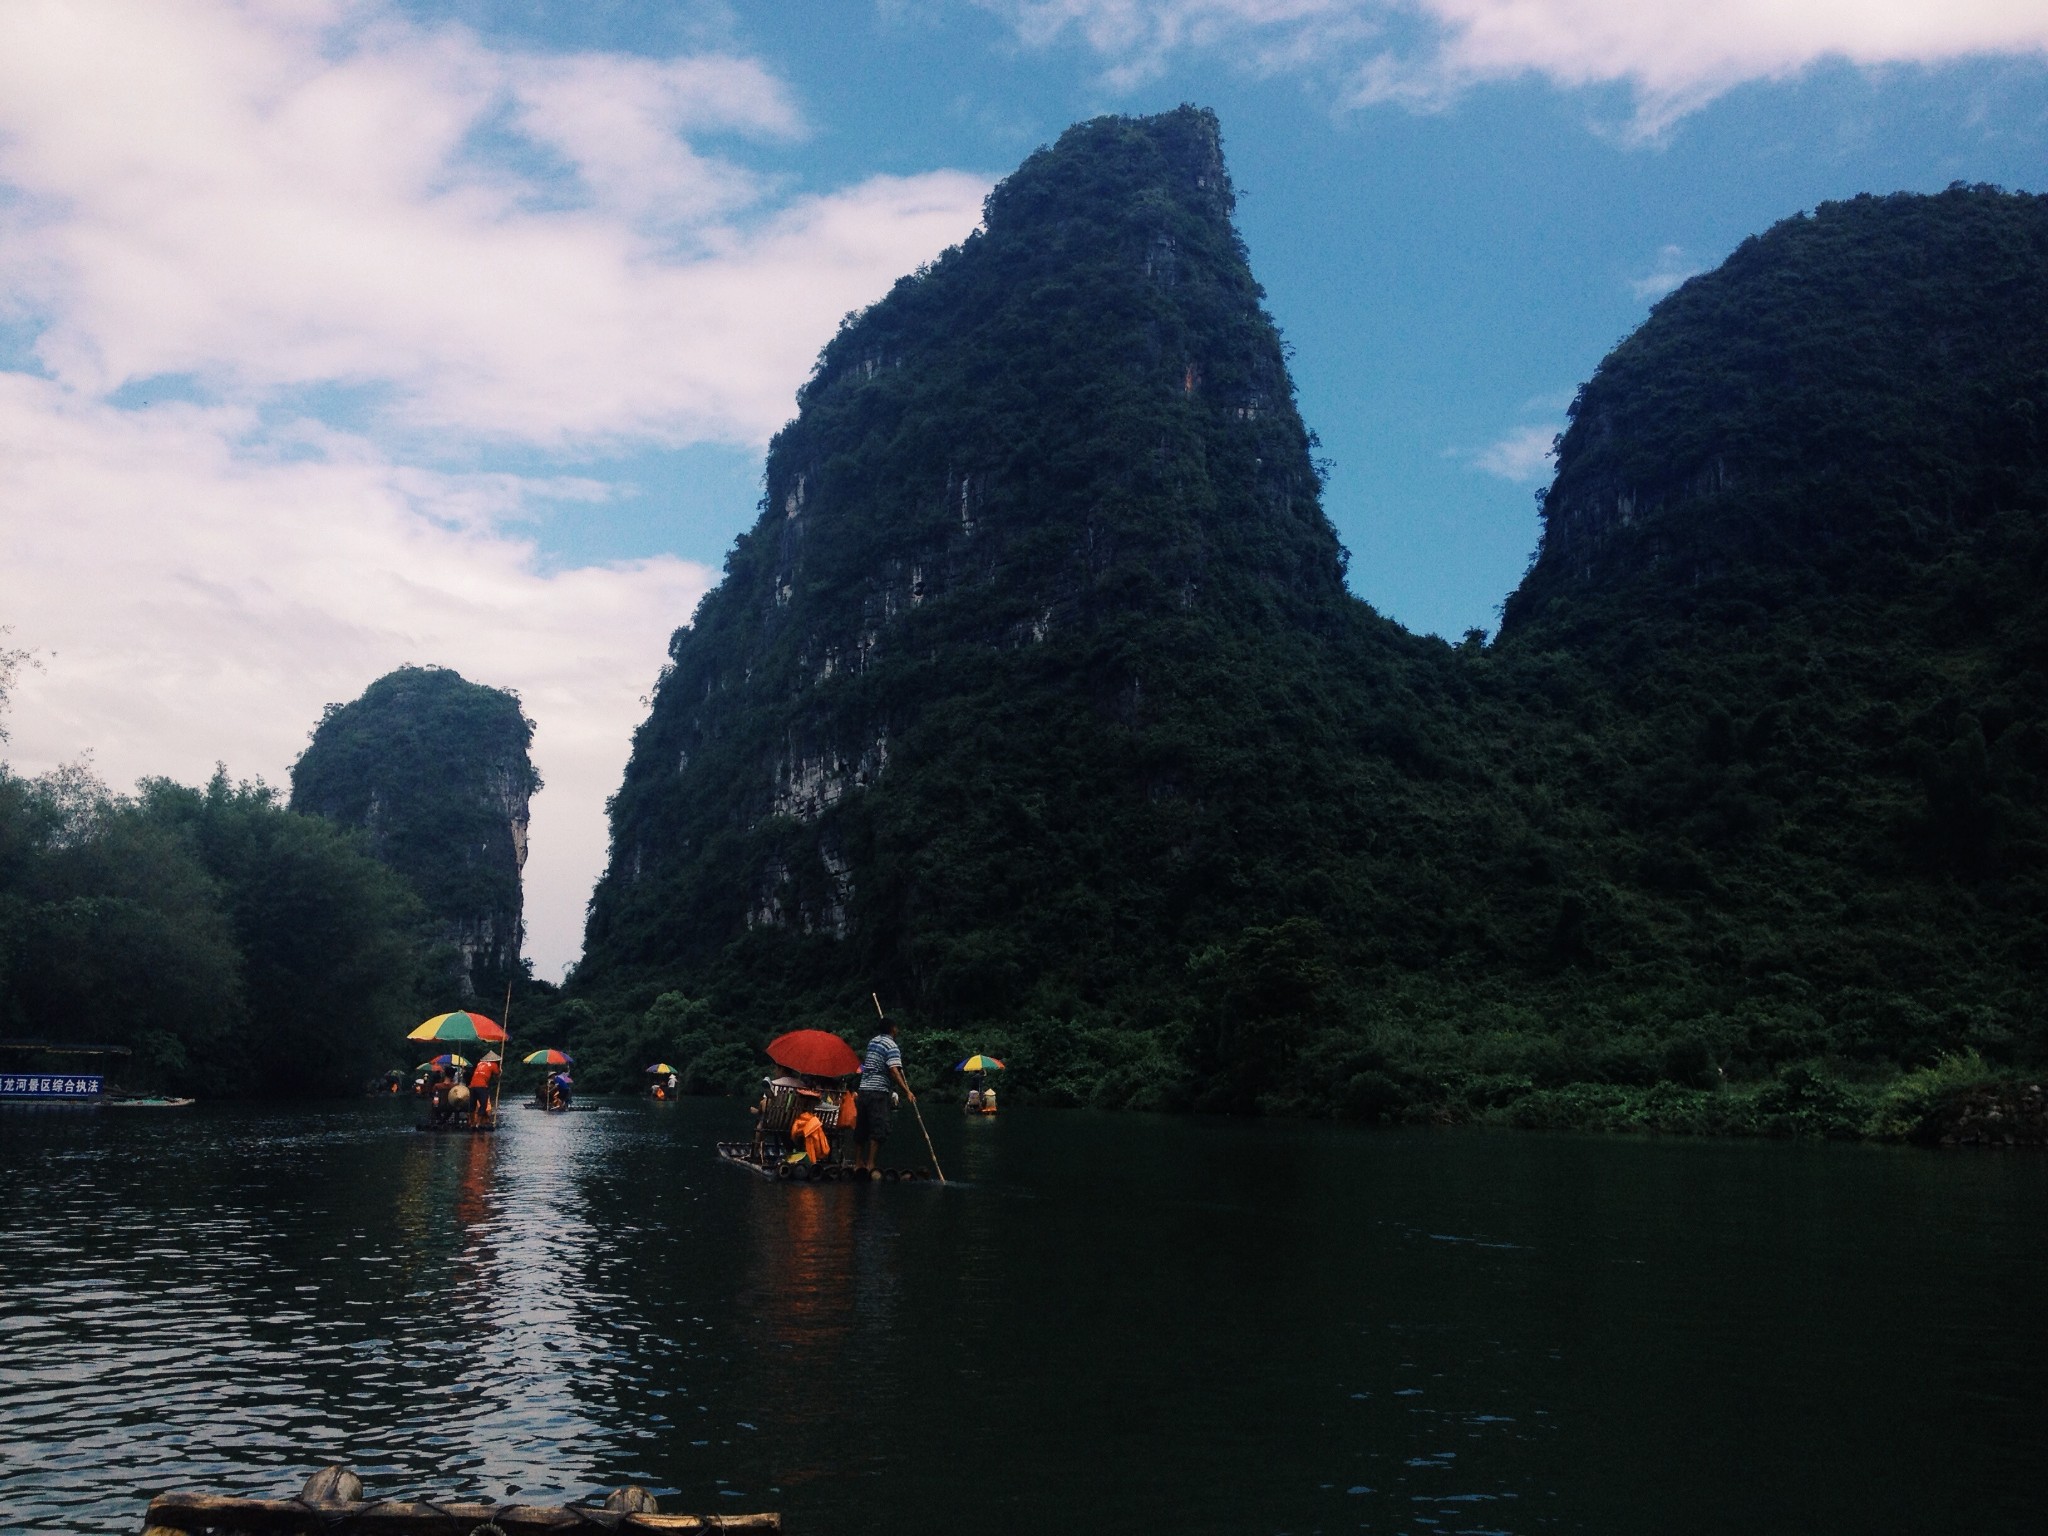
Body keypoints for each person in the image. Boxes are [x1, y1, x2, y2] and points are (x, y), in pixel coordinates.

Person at [853, 1017, 913, 1176]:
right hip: (878, 1091)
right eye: (896, 1028)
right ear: (892, 1029)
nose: (898, 1030)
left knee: (862, 1126)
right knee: (879, 1127)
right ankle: (870, 1164)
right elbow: (894, 1070)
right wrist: (907, 1091)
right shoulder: (892, 1045)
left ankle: (858, 1162)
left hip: (863, 1089)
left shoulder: (872, 1042)